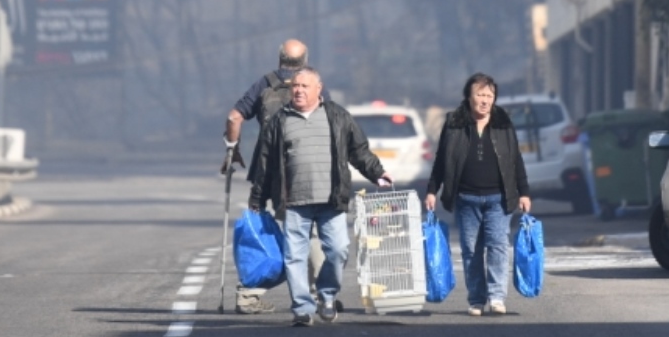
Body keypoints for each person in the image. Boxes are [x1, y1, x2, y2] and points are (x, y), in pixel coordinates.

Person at [249, 67, 391, 327]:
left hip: (331, 200)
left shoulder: (337, 116)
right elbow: (266, 162)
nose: (298, 90)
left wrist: (377, 173)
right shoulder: (279, 120)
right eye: (295, 86)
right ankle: (302, 308)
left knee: (338, 250)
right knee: (294, 257)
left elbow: (358, 150)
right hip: (293, 202)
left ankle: (326, 296)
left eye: (304, 86)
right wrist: (257, 196)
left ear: (318, 89)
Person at [223, 39, 319, 315]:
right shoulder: (311, 85)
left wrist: (232, 150)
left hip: (267, 169)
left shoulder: (264, 84)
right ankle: (312, 293)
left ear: (279, 59)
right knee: (304, 230)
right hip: (302, 170)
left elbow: (233, 117)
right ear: (305, 60)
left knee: (275, 229)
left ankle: (253, 293)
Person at [424, 72, 531, 317]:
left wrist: (523, 192)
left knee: (498, 246)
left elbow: (515, 160)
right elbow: (442, 159)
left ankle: (496, 297)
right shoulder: (454, 123)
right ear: (469, 97)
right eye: (480, 95)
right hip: (466, 199)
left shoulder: (503, 123)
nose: (485, 100)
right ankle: (476, 299)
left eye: (489, 95)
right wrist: (432, 189)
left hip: (499, 198)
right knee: (471, 250)